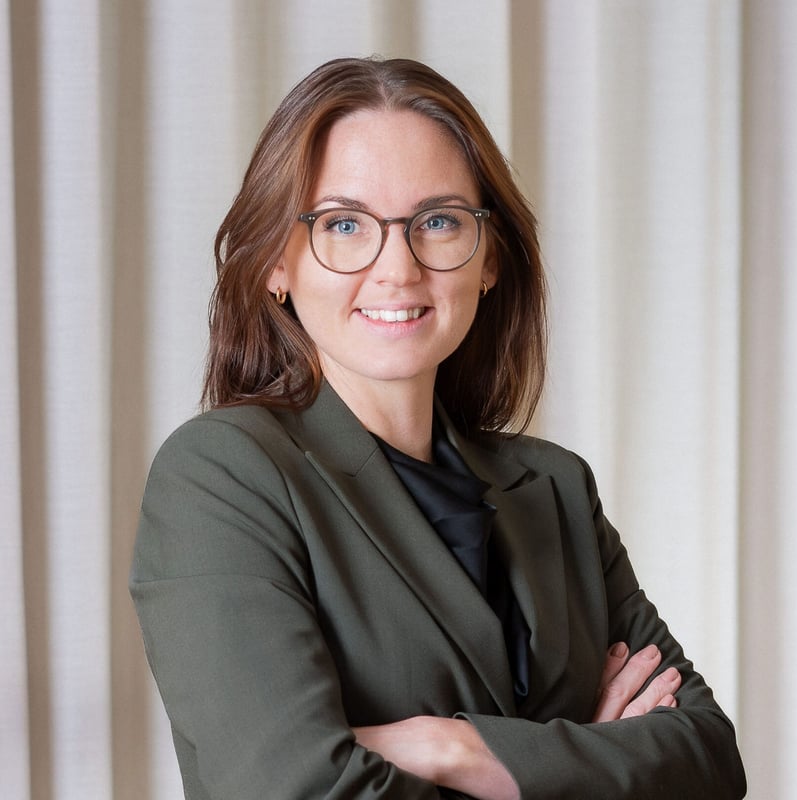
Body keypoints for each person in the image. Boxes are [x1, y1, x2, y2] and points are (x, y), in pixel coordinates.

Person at [130, 57, 746, 799]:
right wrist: (589, 760)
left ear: (489, 260)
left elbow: (710, 757)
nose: (398, 268)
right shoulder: (222, 476)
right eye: (344, 224)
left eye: (439, 221)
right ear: (275, 266)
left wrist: (449, 747)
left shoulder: (556, 487)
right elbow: (295, 789)